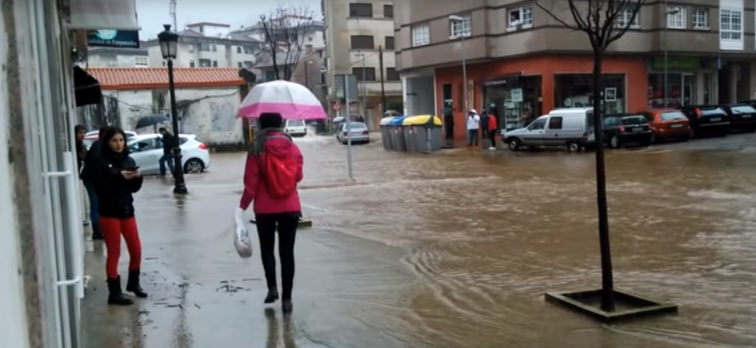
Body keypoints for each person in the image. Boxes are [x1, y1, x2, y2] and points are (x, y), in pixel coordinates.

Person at [238, 112, 303, 314]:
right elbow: (298, 176)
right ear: (281, 124)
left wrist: (241, 207)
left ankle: (272, 289)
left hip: (265, 209)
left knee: (267, 250)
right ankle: (287, 299)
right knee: (287, 253)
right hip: (291, 207)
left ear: (260, 125)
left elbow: (250, 185)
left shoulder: (256, 149)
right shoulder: (293, 147)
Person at [94, 127, 147, 305]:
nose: (119, 144)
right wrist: (119, 177)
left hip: (126, 210)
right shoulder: (101, 162)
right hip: (109, 213)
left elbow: (133, 188)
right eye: (114, 141)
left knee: (136, 250)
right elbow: (101, 187)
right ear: (107, 143)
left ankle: (133, 284)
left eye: (121, 140)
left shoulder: (128, 159)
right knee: (114, 253)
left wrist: (137, 177)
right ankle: (114, 292)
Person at [80, 126, 109, 240]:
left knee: (97, 204)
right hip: (92, 179)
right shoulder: (100, 146)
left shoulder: (99, 145)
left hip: (93, 179)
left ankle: (99, 229)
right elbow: (99, 164)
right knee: (96, 204)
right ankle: (97, 231)